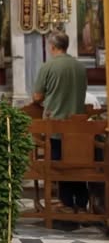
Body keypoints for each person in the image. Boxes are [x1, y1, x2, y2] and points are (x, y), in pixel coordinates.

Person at [32, 30, 88, 212]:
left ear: (52, 46)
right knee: (77, 164)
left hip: (55, 124)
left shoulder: (49, 66)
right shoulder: (80, 66)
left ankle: (67, 203)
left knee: (60, 166)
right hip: (79, 126)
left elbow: (37, 96)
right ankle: (81, 203)